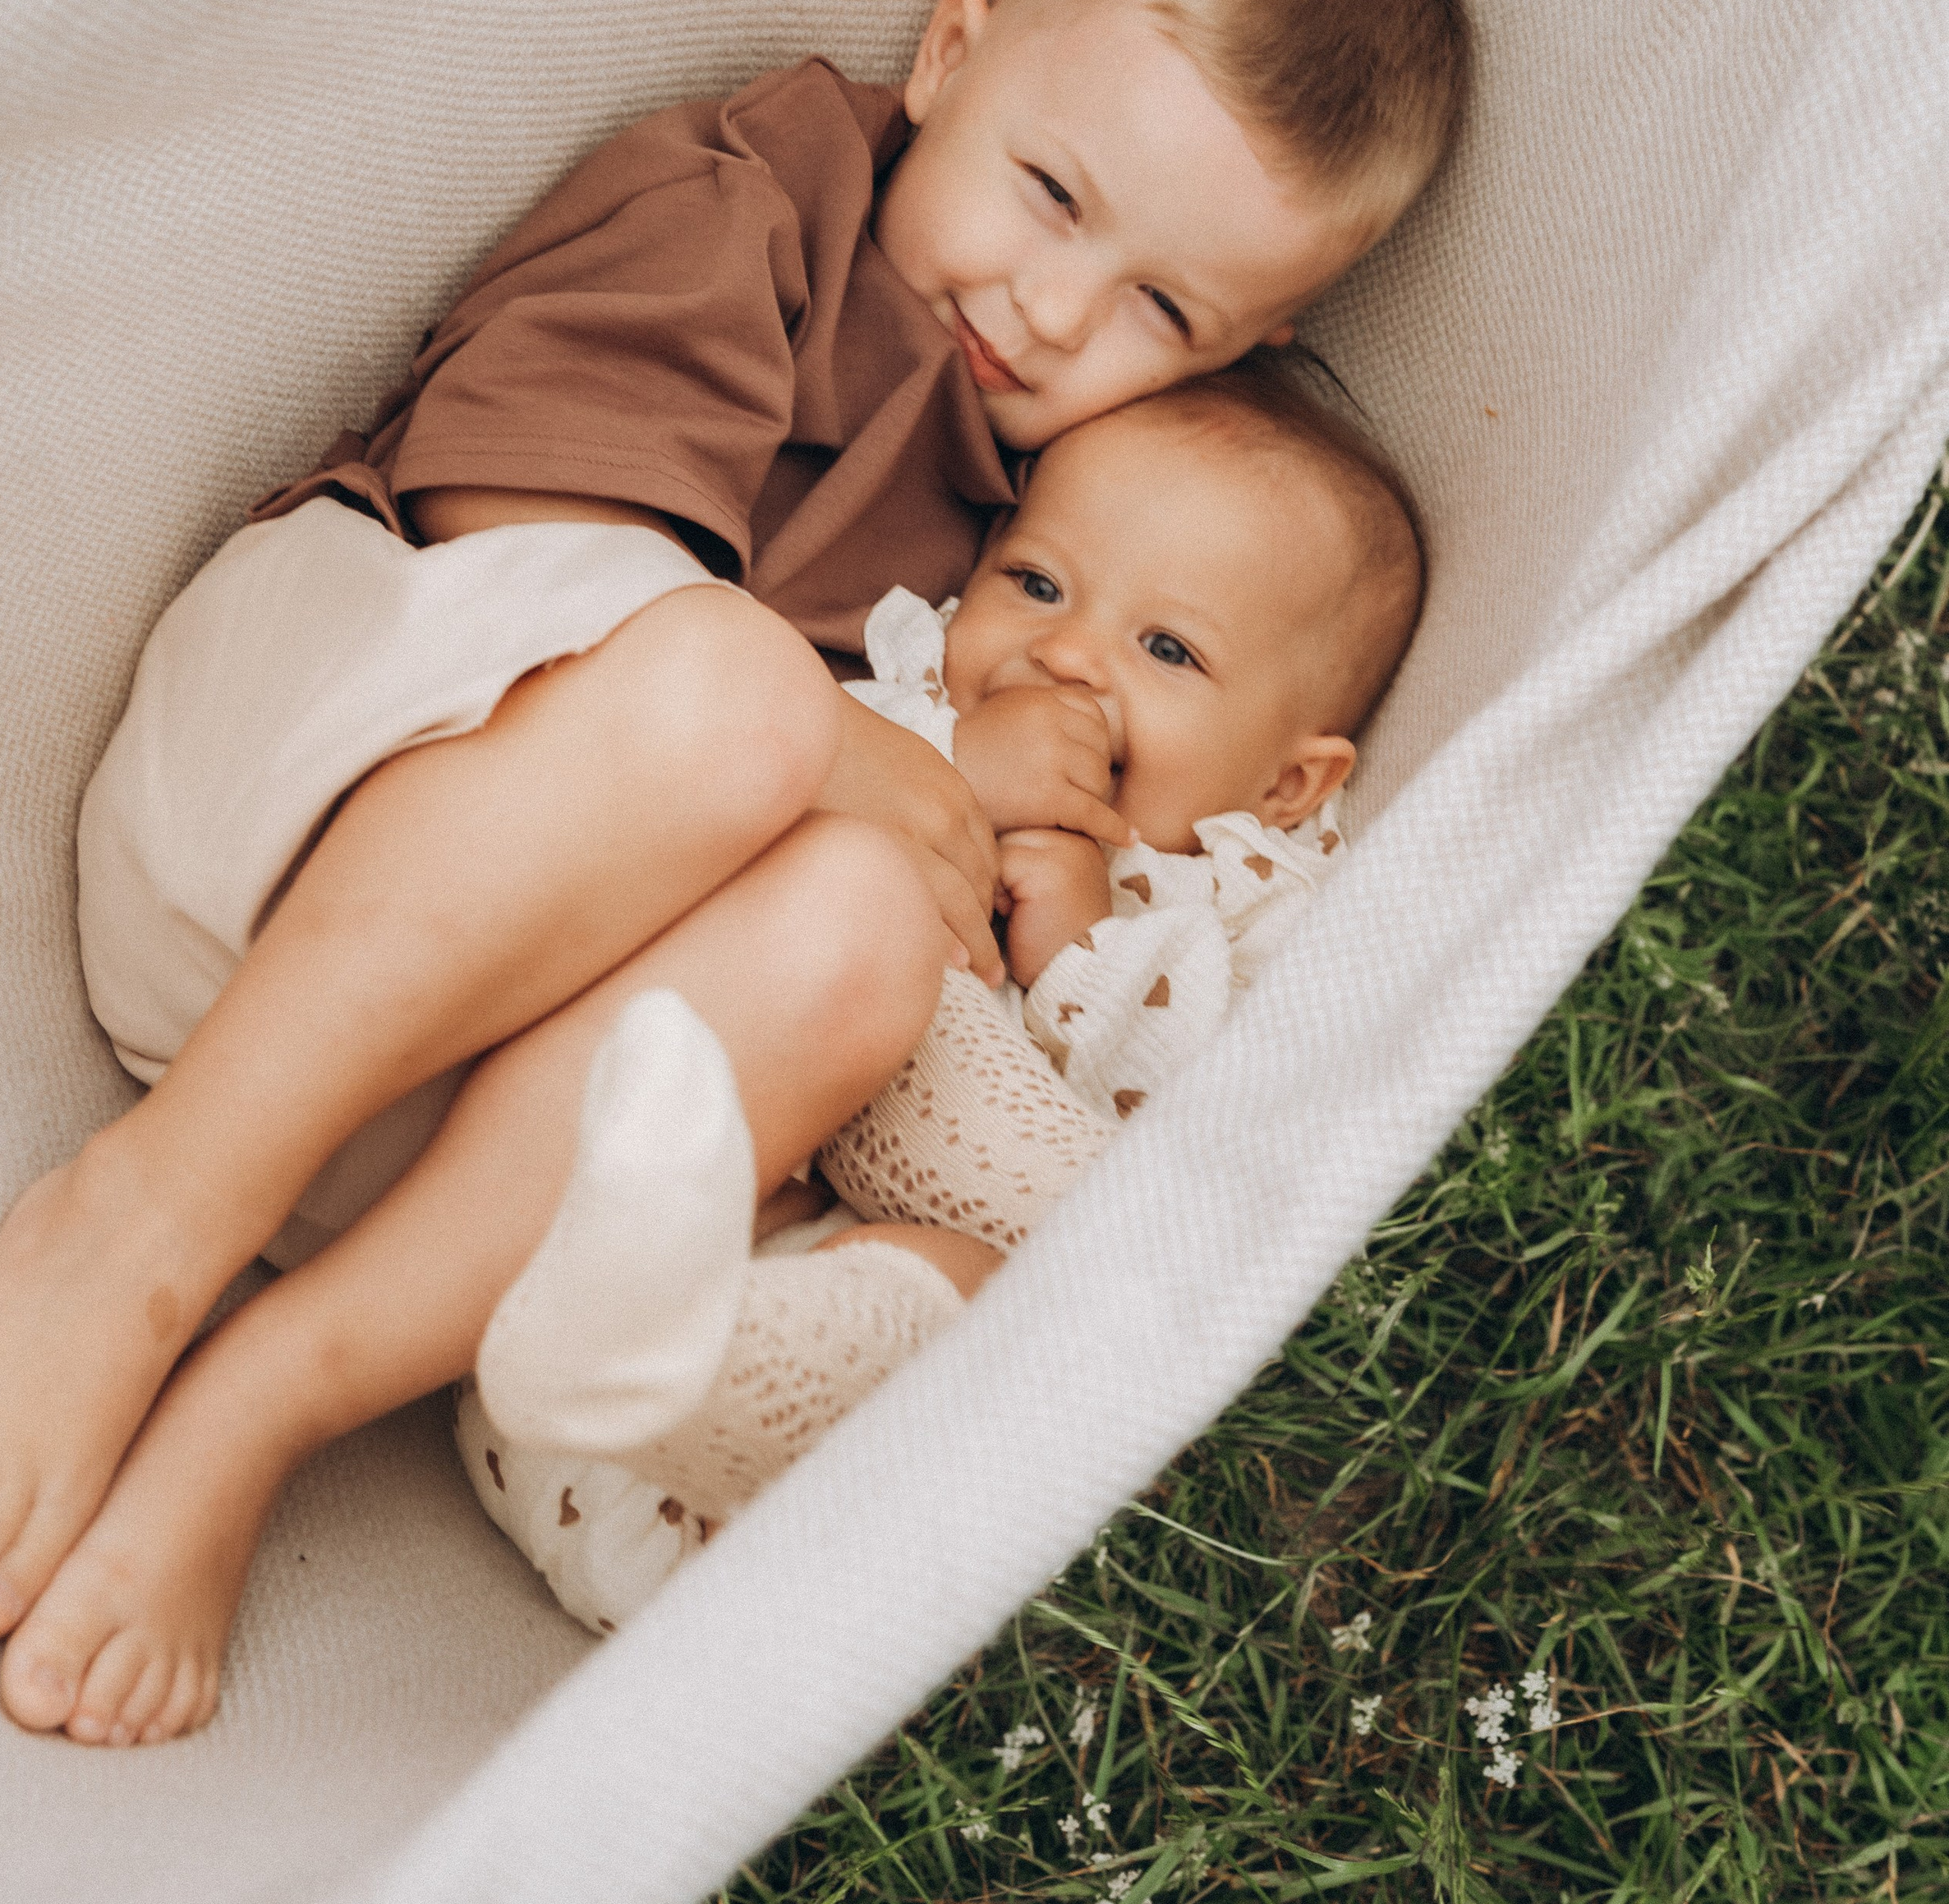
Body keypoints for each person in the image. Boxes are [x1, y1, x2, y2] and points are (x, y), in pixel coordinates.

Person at [0, 0, 1469, 1745]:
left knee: (865, 928)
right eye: (1049, 193)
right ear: (950, 52)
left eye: (1160, 313)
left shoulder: (1067, 518)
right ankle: (137, 1228)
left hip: (455, 1136)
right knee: (731, 695)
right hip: (281, 826)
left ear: (1249, 347)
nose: (1053, 312)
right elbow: (520, 527)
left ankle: (262, 1397)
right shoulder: (752, 201)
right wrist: (873, 750)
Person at [457, 363, 1421, 1627]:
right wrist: (948, 780)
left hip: (768, 1483)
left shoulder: (1226, 911)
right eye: (1036, 584)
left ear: (1292, 787)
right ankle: (632, 1317)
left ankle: (682, 1358)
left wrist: (1075, 927)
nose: (1067, 652)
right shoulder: (892, 725)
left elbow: (1180, 1140)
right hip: (553, 1344)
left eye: (1168, 647)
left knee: (990, 1282)